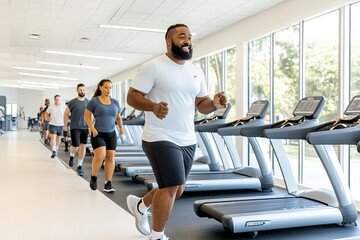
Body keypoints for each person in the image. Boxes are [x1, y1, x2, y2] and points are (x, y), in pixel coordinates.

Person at [126, 23, 227, 240]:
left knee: (176, 188)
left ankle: (141, 206)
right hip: (159, 135)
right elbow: (132, 96)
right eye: (182, 36)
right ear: (169, 41)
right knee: (171, 186)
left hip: (187, 139)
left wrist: (215, 105)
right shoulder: (153, 66)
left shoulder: (196, 71)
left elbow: (201, 103)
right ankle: (157, 235)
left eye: (190, 37)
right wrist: (153, 107)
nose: (187, 40)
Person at [84, 79, 124, 193]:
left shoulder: (115, 102)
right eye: (106, 87)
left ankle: (108, 183)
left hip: (111, 133)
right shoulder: (94, 101)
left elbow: (118, 117)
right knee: (100, 156)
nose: (108, 90)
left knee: (111, 157)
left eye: (110, 87)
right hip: (98, 133)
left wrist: (121, 127)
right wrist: (91, 127)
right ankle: (94, 177)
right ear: (100, 87)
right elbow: (87, 116)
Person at [63, 83, 89, 176]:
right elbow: (66, 114)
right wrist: (65, 125)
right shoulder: (72, 102)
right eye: (81, 90)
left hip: (85, 127)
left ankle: (79, 166)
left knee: (83, 146)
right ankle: (71, 156)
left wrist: (91, 126)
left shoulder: (88, 102)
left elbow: (91, 116)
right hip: (75, 127)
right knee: (76, 146)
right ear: (77, 90)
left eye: (84, 90)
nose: (82, 91)